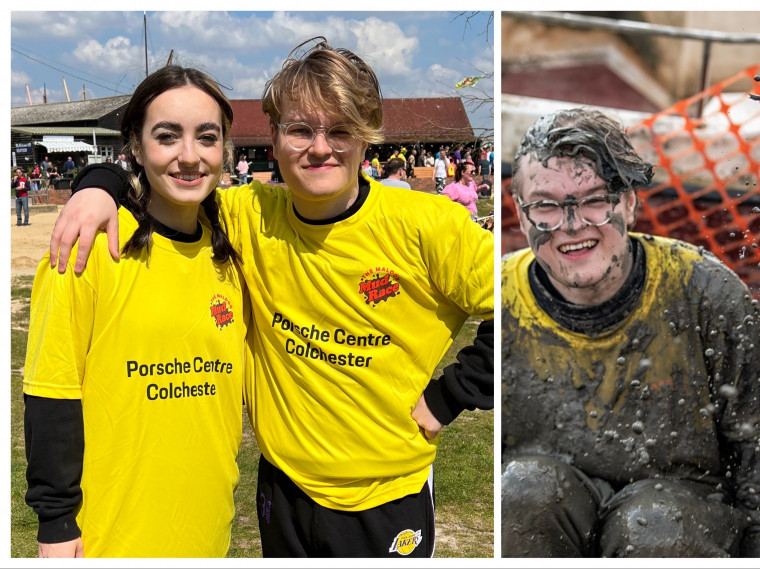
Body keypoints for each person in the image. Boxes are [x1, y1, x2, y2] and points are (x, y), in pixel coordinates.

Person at [50, 38, 494, 559]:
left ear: (368, 137)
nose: (320, 148)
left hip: (384, 498)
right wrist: (97, 183)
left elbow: (534, 297)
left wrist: (454, 394)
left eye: (341, 130)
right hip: (282, 489)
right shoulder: (247, 215)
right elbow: (175, 175)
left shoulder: (429, 227)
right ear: (276, 136)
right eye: (301, 130)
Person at [501, 108, 760, 557]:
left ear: (628, 202)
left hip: (685, 525)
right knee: (524, 492)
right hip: (549, 521)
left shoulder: (706, 293)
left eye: (594, 200)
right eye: (546, 206)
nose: (572, 226)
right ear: (522, 216)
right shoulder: (501, 300)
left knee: (656, 524)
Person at [22, 65, 246, 558]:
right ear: (136, 148)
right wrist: (56, 522)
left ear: (224, 150)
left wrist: (99, 180)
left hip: (208, 526)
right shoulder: (87, 248)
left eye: (206, 138)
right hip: (110, 534)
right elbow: (49, 393)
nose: (190, 156)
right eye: (167, 136)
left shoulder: (234, 250)